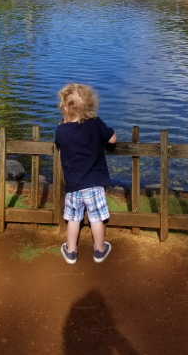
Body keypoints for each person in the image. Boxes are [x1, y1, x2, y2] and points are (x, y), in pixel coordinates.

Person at [55, 83, 116, 264]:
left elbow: (59, 142)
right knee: (97, 219)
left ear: (65, 109)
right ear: (90, 106)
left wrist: (66, 122)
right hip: (94, 182)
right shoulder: (95, 123)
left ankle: (71, 251)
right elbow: (112, 139)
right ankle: (99, 250)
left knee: (73, 219)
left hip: (74, 184)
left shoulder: (61, 130)